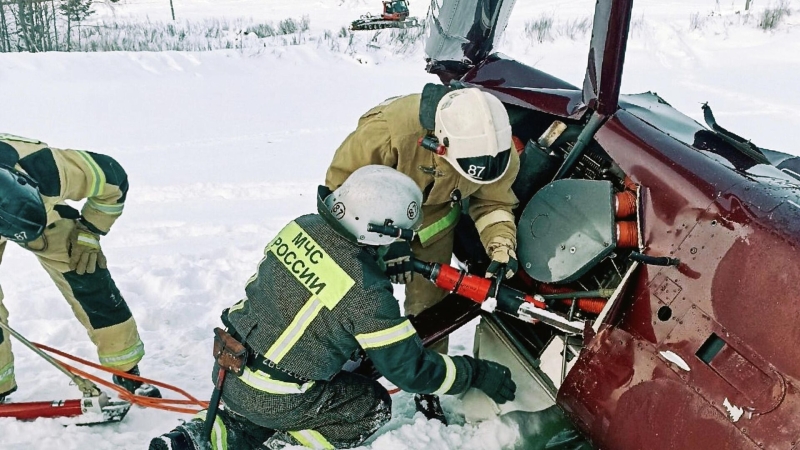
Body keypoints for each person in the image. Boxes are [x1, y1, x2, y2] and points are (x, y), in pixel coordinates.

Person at [149, 166, 516, 450]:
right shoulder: (367, 294)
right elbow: (411, 372)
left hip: (230, 369)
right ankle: (286, 443)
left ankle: (205, 435)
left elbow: (322, 281)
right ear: (379, 233)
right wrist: (473, 373)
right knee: (367, 404)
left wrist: (372, 259)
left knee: (275, 396)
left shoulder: (302, 227)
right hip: (278, 393)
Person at [324, 86, 520, 421]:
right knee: (355, 299)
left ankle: (427, 388)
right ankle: (336, 364)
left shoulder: (494, 150)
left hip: (434, 223)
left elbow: (494, 202)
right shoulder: (388, 132)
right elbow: (339, 194)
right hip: (369, 223)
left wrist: (501, 249)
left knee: (431, 307)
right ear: (438, 142)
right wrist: (388, 240)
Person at [0, 133, 160, 402]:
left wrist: (89, 232)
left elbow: (114, 178)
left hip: (45, 216)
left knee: (87, 273)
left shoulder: (50, 168)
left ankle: (127, 371)